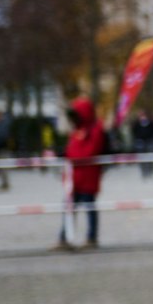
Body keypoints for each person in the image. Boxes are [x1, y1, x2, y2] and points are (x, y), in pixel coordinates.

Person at [57, 97, 108, 250]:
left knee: (89, 207)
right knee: (68, 208)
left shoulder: (95, 129)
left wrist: (70, 157)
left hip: (88, 177)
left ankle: (91, 237)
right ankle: (64, 238)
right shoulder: (77, 130)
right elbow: (70, 150)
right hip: (74, 178)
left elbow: (89, 152)